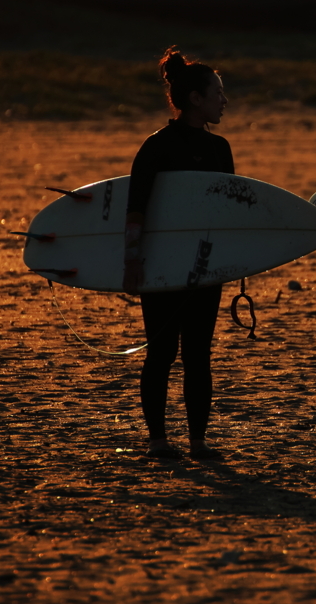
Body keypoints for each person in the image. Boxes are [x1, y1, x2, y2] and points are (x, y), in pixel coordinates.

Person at [123, 47, 232, 460]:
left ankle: (199, 441)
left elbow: (228, 210)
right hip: (163, 265)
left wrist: (235, 259)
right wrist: (133, 262)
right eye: (217, 92)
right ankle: (158, 441)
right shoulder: (157, 147)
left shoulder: (221, 149)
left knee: (199, 354)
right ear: (195, 99)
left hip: (205, 266)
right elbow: (136, 208)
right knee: (163, 351)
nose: (224, 101)